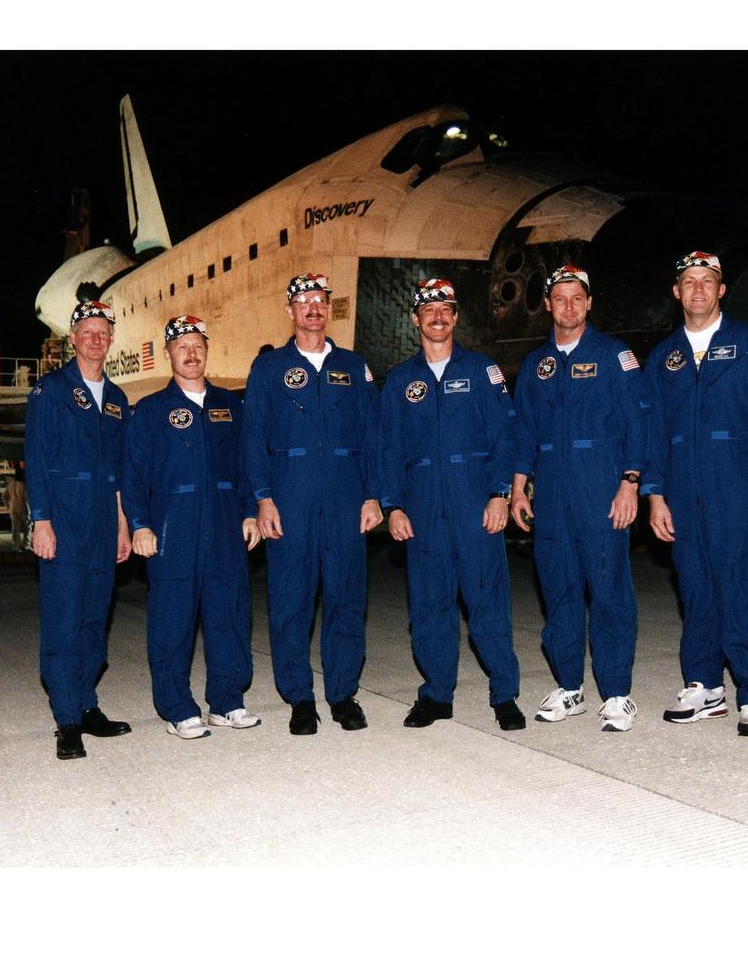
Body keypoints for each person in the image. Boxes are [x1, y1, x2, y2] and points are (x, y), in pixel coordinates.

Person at [641, 251, 748, 738]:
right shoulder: (664, 357)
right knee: (696, 588)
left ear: (722, 289)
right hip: (683, 492)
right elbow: (653, 433)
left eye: (707, 281)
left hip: (739, 486)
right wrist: (655, 495)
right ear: (676, 292)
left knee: (742, 587)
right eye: (689, 282)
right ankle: (704, 685)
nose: (698, 290)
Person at [379, 278, 525, 731]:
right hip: (422, 510)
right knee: (429, 607)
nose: (437, 318)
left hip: (474, 506)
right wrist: (393, 506)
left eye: (445, 310)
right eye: (429, 311)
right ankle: (436, 695)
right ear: (415, 320)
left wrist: (500, 493)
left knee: (488, 606)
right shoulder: (401, 381)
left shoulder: (483, 371)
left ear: (455, 317)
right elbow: (386, 448)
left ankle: (504, 694)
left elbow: (507, 436)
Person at [510, 265, 652, 731]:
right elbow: (524, 429)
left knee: (610, 592)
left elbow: (637, 423)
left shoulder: (615, 356)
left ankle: (617, 694)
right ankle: (569, 688)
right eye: (559, 299)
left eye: (577, 298)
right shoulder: (536, 365)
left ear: (589, 303)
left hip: (601, 489)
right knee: (560, 590)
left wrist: (629, 483)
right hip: (551, 494)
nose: (568, 307)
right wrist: (517, 486)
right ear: (548, 305)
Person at [243, 273, 382, 735]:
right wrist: (262, 499)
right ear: (290, 311)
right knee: (290, 603)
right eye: (303, 301)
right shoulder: (268, 369)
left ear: (329, 307)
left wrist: (372, 495)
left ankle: (342, 694)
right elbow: (253, 440)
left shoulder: (353, 366)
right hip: (291, 500)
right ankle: (300, 698)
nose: (312, 308)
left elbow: (372, 438)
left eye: (320, 300)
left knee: (346, 599)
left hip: (346, 500)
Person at [122, 315, 263, 740]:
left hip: (223, 525)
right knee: (173, 620)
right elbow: (132, 475)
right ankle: (178, 708)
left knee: (229, 615)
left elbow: (247, 466)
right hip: (173, 527)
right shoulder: (149, 411)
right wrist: (140, 525)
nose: (191, 352)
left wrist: (251, 511)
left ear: (207, 349)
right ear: (168, 353)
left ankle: (227, 701)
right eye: (181, 345)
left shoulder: (230, 406)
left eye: (198, 344)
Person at [25, 299, 133, 760]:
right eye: (87, 331)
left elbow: (121, 472)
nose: (95, 338)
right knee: (64, 620)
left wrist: (124, 526)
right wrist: (41, 520)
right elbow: (37, 461)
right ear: (72, 339)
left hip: (104, 521)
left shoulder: (117, 400)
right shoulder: (50, 391)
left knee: (94, 618)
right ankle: (67, 719)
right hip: (64, 520)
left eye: (103, 332)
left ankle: (87, 704)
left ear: (111, 340)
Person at [2, 468, 30, 551]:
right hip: (23, 508)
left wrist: (7, 506)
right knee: (27, 527)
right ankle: (26, 545)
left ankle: (16, 546)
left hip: (13, 509)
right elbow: (27, 498)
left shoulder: (11, 485)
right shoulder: (24, 485)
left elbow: (4, 496)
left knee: (15, 528)